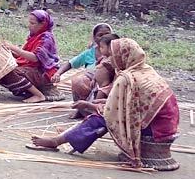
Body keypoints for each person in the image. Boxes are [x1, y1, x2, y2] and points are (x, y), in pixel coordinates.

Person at [30, 38, 181, 170]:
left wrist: (90, 106)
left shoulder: (127, 79)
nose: (110, 60)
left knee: (100, 118)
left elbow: (115, 112)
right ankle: (65, 138)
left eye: (112, 56)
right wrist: (102, 103)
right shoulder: (145, 70)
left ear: (123, 56)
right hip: (165, 126)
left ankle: (57, 141)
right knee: (102, 112)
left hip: (155, 130)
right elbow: (130, 104)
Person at [0, 10, 60, 103]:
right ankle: (27, 90)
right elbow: (23, 55)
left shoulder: (46, 38)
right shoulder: (34, 36)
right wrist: (7, 51)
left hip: (42, 72)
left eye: (32, 23)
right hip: (31, 68)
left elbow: (35, 57)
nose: (29, 25)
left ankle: (39, 95)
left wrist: (14, 48)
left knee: (10, 71)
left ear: (42, 24)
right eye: (29, 22)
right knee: (0, 68)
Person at [51, 23, 113, 101]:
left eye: (107, 34)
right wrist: (58, 73)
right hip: (92, 83)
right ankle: (83, 106)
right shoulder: (89, 53)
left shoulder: (116, 51)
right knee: (78, 81)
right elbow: (70, 63)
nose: (104, 37)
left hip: (110, 84)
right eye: (100, 35)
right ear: (94, 38)